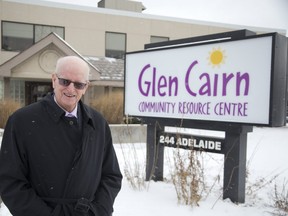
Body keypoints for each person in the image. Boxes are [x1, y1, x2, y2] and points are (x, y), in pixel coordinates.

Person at [0, 56, 122, 216]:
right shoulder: (22, 121)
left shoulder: (98, 123)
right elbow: (10, 181)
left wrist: (99, 211)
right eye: (65, 81)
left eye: (78, 84)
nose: (71, 89)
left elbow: (111, 175)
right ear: (54, 80)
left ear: (86, 87)